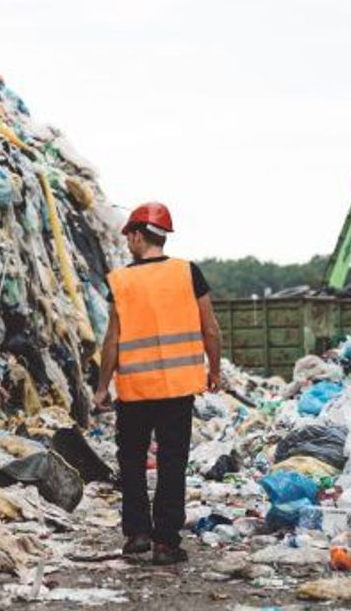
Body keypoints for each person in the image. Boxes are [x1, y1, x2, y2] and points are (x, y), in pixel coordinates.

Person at [93, 202, 222, 564]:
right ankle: (165, 542)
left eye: (129, 236)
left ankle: (137, 534)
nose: (128, 243)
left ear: (137, 234)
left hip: (134, 390)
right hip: (178, 388)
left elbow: (112, 340)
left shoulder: (120, 281)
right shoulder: (188, 272)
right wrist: (214, 369)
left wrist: (103, 387)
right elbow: (210, 328)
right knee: (172, 462)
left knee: (132, 462)